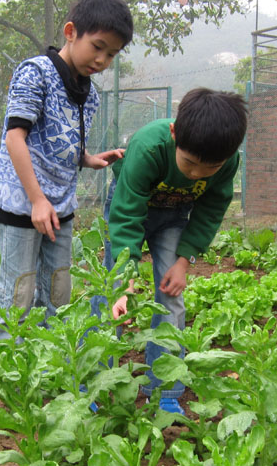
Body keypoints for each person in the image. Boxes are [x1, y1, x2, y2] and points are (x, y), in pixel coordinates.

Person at [0, 0, 133, 341]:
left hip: (60, 208)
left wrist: (90, 159)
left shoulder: (90, 93)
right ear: (71, 32)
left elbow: (64, 144)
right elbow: (15, 138)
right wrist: (37, 199)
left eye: (111, 54)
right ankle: (12, 380)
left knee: (58, 292)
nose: (102, 60)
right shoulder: (35, 73)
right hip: (23, 203)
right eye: (97, 47)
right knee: (18, 295)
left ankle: (50, 369)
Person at [101, 88, 248, 414]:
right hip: (130, 207)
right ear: (173, 134)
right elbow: (127, 214)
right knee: (112, 294)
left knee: (171, 298)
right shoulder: (149, 146)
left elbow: (211, 210)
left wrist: (183, 261)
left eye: (208, 169)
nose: (195, 174)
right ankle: (96, 382)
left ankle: (165, 389)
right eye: (189, 163)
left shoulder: (226, 161)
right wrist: (126, 279)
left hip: (174, 218)